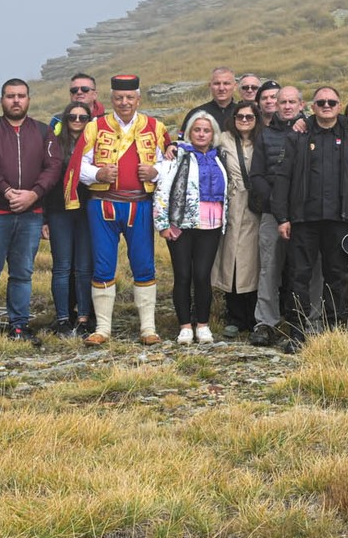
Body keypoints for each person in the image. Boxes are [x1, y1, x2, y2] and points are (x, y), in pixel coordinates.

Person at [77, 75, 173, 345]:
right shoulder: (95, 127)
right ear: (111, 99)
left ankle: (148, 328)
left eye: (130, 97)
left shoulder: (155, 127)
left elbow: (170, 162)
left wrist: (155, 171)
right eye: (119, 97)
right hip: (102, 204)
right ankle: (103, 329)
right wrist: (98, 173)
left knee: (144, 264)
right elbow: (78, 165)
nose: (124, 102)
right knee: (103, 264)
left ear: (138, 99)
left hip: (140, 204)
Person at [0, 78, 60, 343]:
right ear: (2, 100)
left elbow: (53, 167)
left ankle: (19, 327)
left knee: (22, 273)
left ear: (28, 99)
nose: (16, 100)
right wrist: (6, 190)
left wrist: (34, 194)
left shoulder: (43, 131)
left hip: (30, 214)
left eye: (21, 96)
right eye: (10, 96)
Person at [283, 86, 348, 335]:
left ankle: (335, 331)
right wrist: (282, 217)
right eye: (321, 102)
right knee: (299, 276)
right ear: (312, 106)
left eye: (331, 102)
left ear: (339, 105)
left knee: (337, 277)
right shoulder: (297, 135)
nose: (326, 106)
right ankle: (297, 332)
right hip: (303, 219)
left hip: (340, 219)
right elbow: (283, 178)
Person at [155, 112, 228, 344]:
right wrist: (162, 224)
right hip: (181, 224)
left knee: (202, 275)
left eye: (206, 130)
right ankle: (185, 325)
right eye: (197, 130)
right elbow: (163, 190)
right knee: (183, 274)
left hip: (211, 223)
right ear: (189, 132)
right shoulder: (177, 155)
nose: (201, 134)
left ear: (213, 134)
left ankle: (203, 325)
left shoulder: (220, 157)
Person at [249, 92, 303, 350]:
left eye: (293, 102)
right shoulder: (265, 135)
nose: (288, 106)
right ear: (275, 106)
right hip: (272, 212)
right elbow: (257, 175)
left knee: (306, 269)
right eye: (283, 102)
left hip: (305, 215)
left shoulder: (310, 131)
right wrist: (278, 204)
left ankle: (302, 321)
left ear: (301, 105)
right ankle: (265, 322)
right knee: (269, 266)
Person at [45, 99, 96, 337]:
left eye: (82, 118)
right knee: (62, 267)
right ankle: (63, 319)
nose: (77, 121)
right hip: (59, 211)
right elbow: (46, 180)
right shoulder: (54, 144)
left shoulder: (96, 144)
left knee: (85, 268)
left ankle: (84, 317)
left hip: (88, 211)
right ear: (65, 120)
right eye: (72, 117)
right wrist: (43, 218)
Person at [213, 101, 264, 336]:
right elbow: (198, 143)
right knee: (230, 259)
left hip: (256, 205)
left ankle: (254, 316)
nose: (244, 120)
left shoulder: (263, 139)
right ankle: (234, 315)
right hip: (232, 204)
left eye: (249, 117)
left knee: (254, 261)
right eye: (240, 116)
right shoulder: (222, 138)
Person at [183, 67, 237, 137]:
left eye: (226, 83)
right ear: (210, 86)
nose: (221, 88)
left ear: (235, 86)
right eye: (217, 84)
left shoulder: (243, 115)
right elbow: (182, 141)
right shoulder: (195, 114)